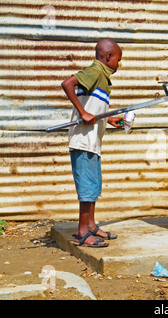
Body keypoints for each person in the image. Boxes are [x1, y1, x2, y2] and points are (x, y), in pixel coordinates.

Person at [61, 39, 123, 247]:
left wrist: (109, 118)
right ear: (108, 57)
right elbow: (67, 84)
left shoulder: (102, 78)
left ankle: (91, 226)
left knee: (94, 185)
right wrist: (83, 112)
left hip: (93, 141)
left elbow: (95, 109)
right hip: (83, 140)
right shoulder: (95, 71)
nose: (118, 64)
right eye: (117, 59)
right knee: (87, 187)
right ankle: (82, 232)